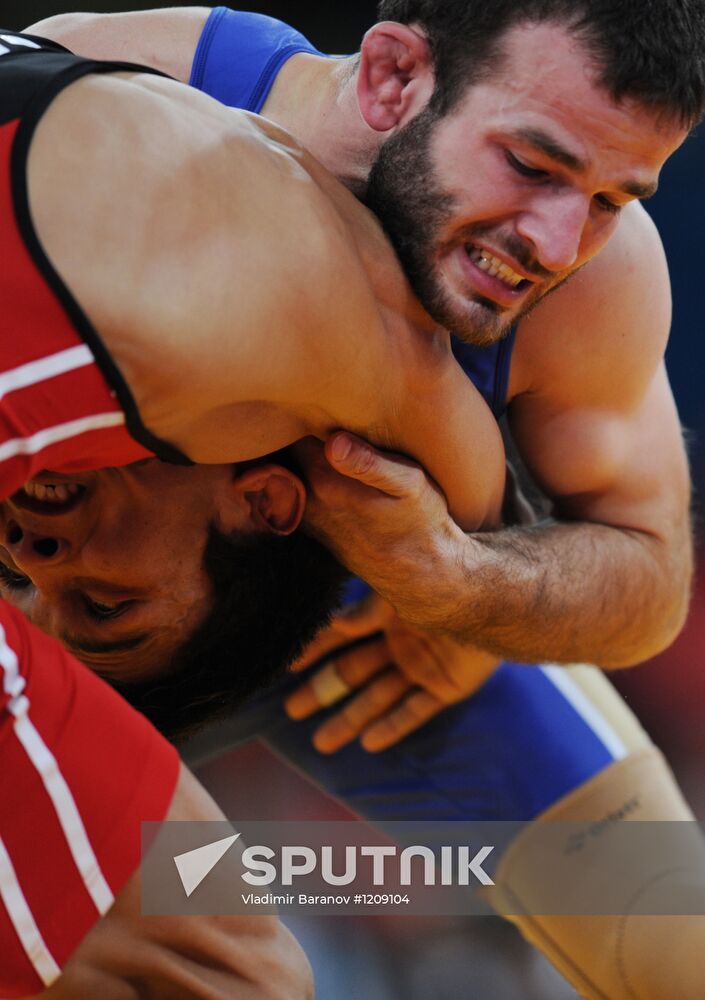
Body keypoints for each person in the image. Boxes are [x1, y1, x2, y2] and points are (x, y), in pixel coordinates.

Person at [21, 7, 705, 998]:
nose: (558, 244)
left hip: (374, 643)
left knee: (677, 948)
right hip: (64, 617)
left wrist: (470, 585)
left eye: (611, 197)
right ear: (391, 76)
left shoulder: (602, 277)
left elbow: (652, 575)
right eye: (532, 163)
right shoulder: (122, 89)